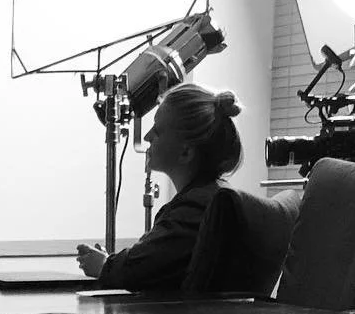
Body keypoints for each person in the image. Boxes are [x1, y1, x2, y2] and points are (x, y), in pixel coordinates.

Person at [75, 83, 243, 291]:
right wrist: (110, 263)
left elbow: (140, 270)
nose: (147, 137)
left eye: (157, 130)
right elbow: (154, 260)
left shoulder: (195, 209)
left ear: (186, 152)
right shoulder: (211, 199)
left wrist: (104, 266)